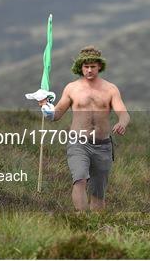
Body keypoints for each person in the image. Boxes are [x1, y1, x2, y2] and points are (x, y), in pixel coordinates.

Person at [38, 45, 130, 211]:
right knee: (79, 179)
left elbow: (124, 114)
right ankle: (82, 221)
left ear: (99, 66)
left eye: (92, 67)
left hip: (103, 146)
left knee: (97, 192)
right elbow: (56, 115)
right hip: (78, 143)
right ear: (80, 67)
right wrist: (45, 107)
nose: (89, 70)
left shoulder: (110, 89)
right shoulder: (71, 88)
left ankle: (95, 228)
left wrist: (121, 123)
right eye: (86, 67)